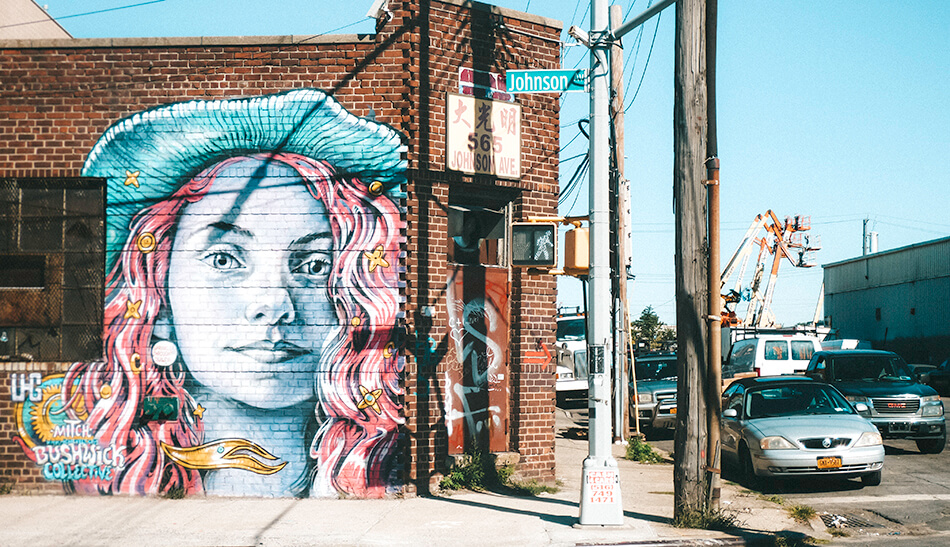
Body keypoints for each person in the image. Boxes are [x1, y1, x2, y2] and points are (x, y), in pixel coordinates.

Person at [47, 89, 406, 497]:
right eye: (224, 259)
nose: (273, 305)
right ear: (157, 293)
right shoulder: (106, 475)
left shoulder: (392, 464)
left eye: (316, 265)